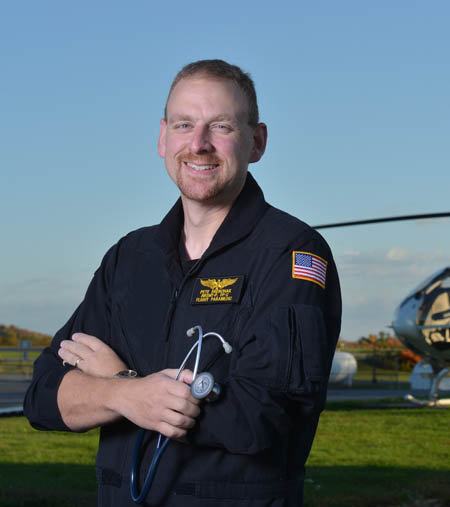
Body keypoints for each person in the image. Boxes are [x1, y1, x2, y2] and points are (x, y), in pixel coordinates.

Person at [24, 59, 341, 507]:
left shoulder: (291, 254)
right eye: (184, 124)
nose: (199, 144)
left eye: (221, 127)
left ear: (257, 142)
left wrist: (115, 382)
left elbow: (261, 416)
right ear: (162, 138)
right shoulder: (129, 259)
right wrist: (128, 393)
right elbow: (43, 397)